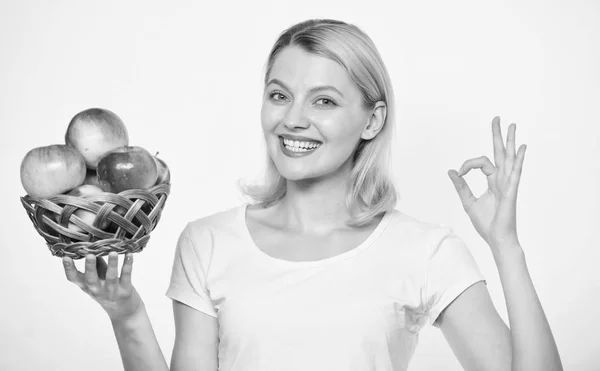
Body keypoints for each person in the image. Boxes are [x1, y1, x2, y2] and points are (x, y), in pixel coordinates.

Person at [61, 19, 563, 371]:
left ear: (372, 120)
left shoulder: (426, 252)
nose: (293, 118)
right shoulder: (206, 242)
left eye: (323, 100)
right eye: (280, 95)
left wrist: (506, 245)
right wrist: (126, 315)